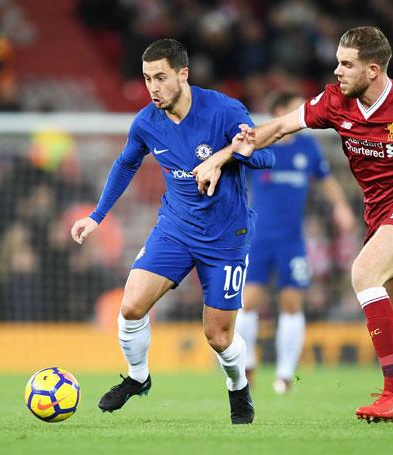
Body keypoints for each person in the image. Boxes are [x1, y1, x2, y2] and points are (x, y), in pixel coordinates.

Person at [194, 26, 393, 423]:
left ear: (372, 70)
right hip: (379, 215)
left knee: (364, 272)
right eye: (337, 62)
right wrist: (229, 153)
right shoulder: (335, 102)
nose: (337, 71)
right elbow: (279, 127)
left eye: (346, 64)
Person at [70, 38, 274, 424]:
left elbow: (265, 154)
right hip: (176, 230)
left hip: (226, 237)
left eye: (160, 77)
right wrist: (97, 215)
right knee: (130, 306)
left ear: (183, 74)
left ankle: (237, 388)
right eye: (147, 79)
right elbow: (126, 164)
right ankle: (138, 378)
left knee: (218, 337)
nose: (153, 88)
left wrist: (229, 154)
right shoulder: (147, 121)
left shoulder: (224, 110)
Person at [235, 91, 355, 393]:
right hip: (258, 238)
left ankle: (285, 375)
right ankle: (247, 364)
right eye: (293, 109)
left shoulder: (308, 148)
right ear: (278, 111)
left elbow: (326, 181)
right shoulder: (260, 145)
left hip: (292, 240)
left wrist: (341, 206)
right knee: (247, 303)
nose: (301, 115)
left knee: (292, 304)